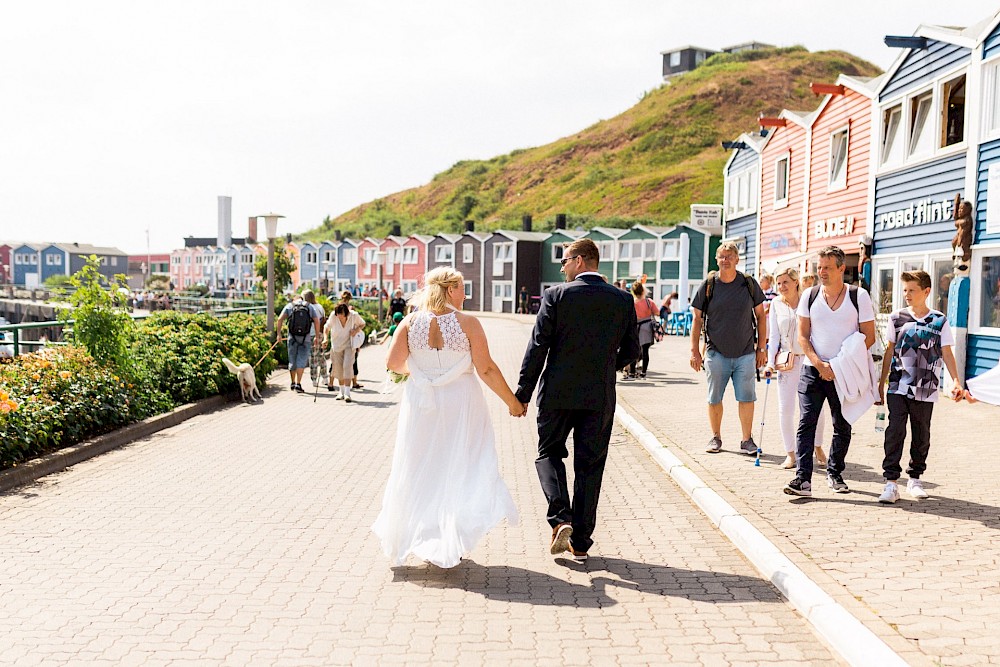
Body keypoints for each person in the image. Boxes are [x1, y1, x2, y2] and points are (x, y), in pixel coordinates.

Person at [372, 267, 521, 567]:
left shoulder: (410, 322)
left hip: (422, 406)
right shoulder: (468, 323)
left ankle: (426, 534)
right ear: (451, 290)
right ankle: (452, 531)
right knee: (464, 465)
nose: (465, 295)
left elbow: (393, 363)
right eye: (463, 288)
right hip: (461, 404)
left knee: (422, 467)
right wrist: (513, 402)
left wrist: (422, 376)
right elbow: (487, 368)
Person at [515, 239, 640, 561]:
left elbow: (538, 346)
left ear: (582, 260)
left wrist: (523, 392)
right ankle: (581, 542)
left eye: (566, 260)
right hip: (599, 394)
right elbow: (632, 352)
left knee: (548, 454)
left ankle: (561, 518)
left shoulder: (556, 296)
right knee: (590, 466)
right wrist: (602, 367)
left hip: (557, 392)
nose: (562, 266)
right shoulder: (622, 299)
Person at [784, 246, 877, 497]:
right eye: (819, 267)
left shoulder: (859, 296)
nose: (821, 272)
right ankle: (802, 480)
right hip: (813, 370)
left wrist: (838, 365)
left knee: (842, 424)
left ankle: (835, 473)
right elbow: (803, 336)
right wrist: (819, 364)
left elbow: (869, 337)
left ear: (841, 269)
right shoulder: (809, 296)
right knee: (806, 423)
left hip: (844, 372)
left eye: (827, 267)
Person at [876, 271, 963, 503]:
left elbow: (947, 352)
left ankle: (914, 479)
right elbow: (889, 351)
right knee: (895, 431)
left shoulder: (939, 320)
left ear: (926, 292)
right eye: (904, 290)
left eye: (912, 290)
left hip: (926, 387)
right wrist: (881, 383)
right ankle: (891, 483)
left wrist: (956, 380)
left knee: (921, 433)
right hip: (897, 385)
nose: (907, 294)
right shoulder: (896, 318)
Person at [689, 241, 767, 455]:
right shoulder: (709, 284)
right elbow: (697, 318)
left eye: (729, 256)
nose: (725, 260)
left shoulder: (748, 283)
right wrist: (694, 351)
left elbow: (761, 316)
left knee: (747, 398)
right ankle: (715, 437)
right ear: (717, 259)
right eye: (722, 257)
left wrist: (762, 348)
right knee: (714, 398)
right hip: (716, 353)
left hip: (745, 353)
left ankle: (746, 440)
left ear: (737, 259)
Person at [763, 269, 827, 469]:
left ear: (795, 282)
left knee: (814, 408)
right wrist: (770, 363)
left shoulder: (807, 300)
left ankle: (817, 446)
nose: (782, 287)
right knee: (786, 409)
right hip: (786, 361)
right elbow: (773, 337)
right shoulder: (775, 304)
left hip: (808, 360)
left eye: (785, 282)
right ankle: (791, 453)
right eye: (779, 283)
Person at [275, 292, 322, 393]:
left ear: (294, 299)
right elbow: (317, 321)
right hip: (306, 338)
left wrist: (279, 334)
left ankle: (292, 382)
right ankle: (298, 384)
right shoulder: (309, 306)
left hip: (292, 337)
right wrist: (317, 336)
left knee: (292, 359)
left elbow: (279, 319)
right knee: (301, 360)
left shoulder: (290, 306)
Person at [325, 303, 365, 402]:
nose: (340, 318)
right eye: (338, 316)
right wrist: (325, 339)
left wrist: (356, 330)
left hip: (349, 345)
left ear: (346, 314)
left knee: (347, 366)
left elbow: (362, 323)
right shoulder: (333, 316)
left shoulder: (354, 315)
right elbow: (326, 327)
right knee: (338, 368)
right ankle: (341, 392)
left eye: (342, 316)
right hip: (337, 345)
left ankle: (347, 393)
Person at [626, 281, 657, 380]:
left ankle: (632, 372)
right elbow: (658, 312)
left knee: (633, 349)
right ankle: (643, 372)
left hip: (635, 327)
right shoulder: (649, 302)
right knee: (645, 351)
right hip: (647, 327)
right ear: (643, 291)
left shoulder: (631, 302)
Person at [303, 290, 329, 390]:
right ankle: (325, 377)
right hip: (321, 333)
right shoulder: (320, 307)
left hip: (312, 334)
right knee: (321, 356)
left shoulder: (308, 307)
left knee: (313, 357)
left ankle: (314, 379)